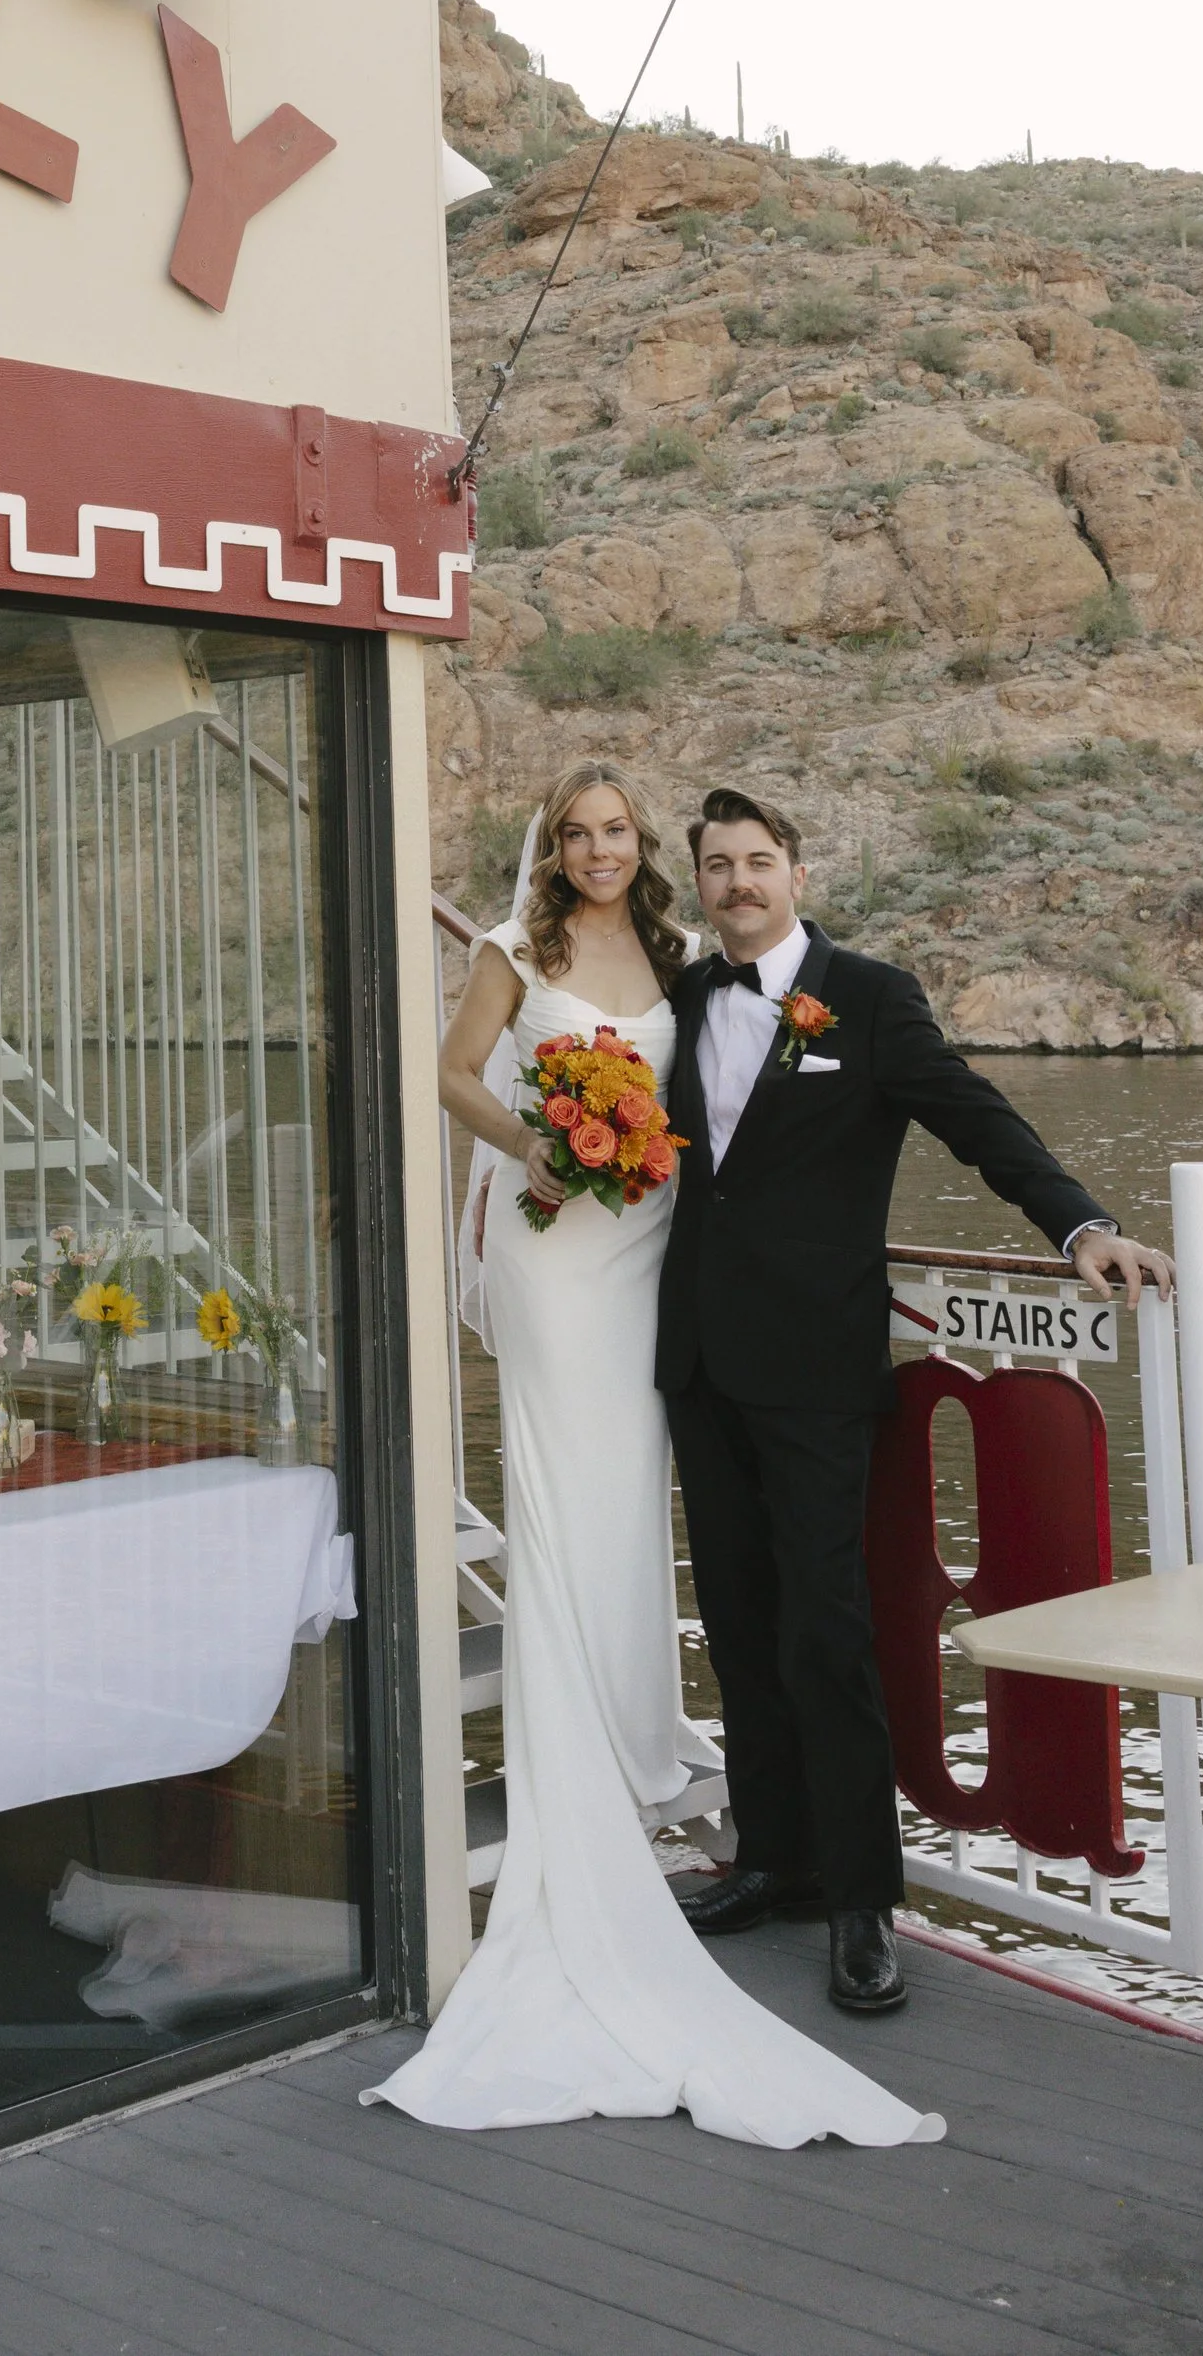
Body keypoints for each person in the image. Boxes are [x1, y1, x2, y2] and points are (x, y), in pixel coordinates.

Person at [370, 760, 940, 2149]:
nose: (601, 850)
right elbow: (452, 1077)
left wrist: (1074, 1226)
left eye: (620, 832)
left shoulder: (691, 966)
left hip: (662, 1270)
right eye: (580, 833)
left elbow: (752, 1131)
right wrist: (537, 1151)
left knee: (650, 1507)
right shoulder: (520, 950)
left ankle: (755, 1824)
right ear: (555, 850)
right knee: (583, 1492)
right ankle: (639, 1780)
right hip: (558, 1237)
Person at [659, 785, 1172, 2014]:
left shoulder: (871, 997)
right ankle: (772, 1859)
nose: (738, 882)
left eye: (758, 861)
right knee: (736, 1615)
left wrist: (1079, 1222)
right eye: (718, 865)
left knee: (826, 1633)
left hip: (819, 1373)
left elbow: (972, 1118)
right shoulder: (681, 1000)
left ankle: (859, 1902)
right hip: (697, 1361)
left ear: (794, 869)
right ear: (701, 883)